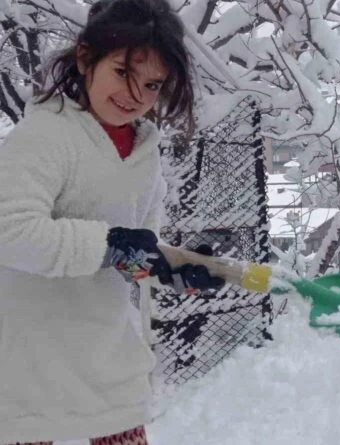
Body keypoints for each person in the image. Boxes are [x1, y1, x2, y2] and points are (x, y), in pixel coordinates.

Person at [0, 0, 221, 443]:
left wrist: (169, 267)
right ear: (86, 58)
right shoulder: (43, 137)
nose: (135, 95)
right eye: (123, 73)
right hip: (33, 363)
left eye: (153, 84)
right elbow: (10, 231)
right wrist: (111, 245)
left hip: (109, 360)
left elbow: (135, 250)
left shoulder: (144, 152)